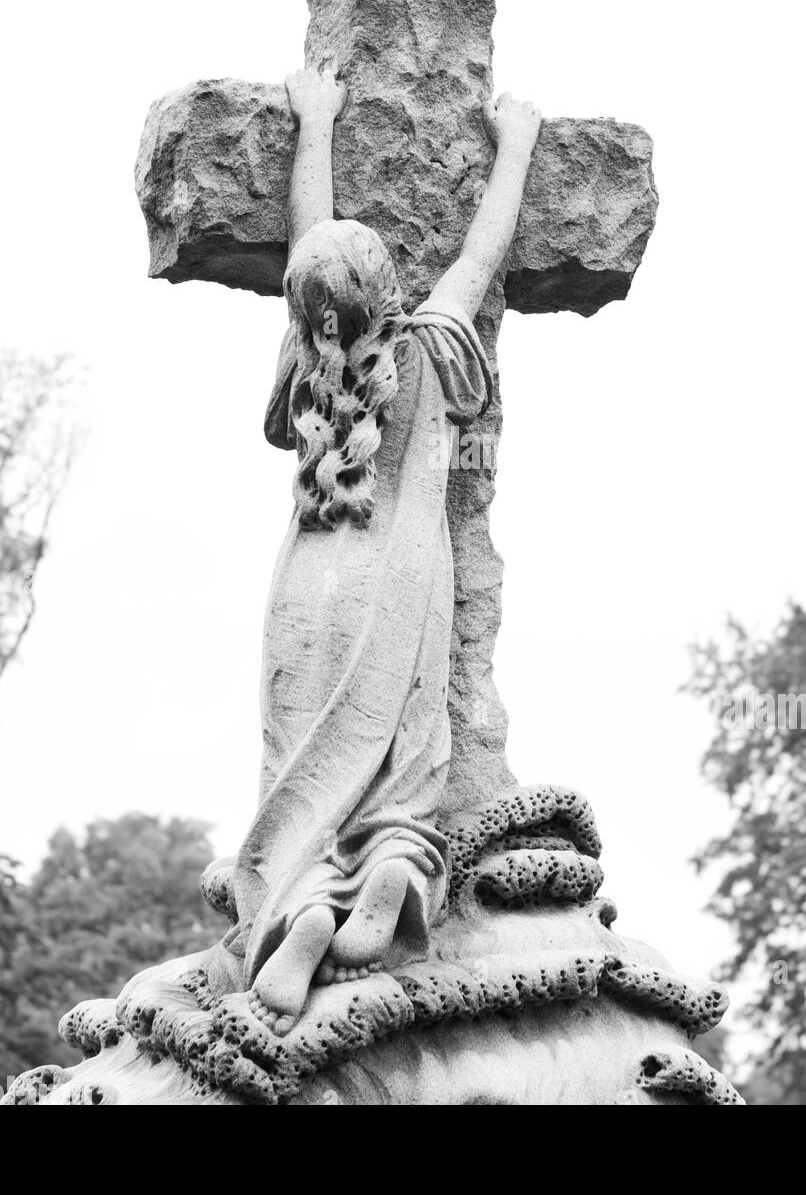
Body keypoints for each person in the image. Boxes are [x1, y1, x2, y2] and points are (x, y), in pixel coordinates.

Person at [226, 66, 541, 1035]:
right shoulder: (432, 348)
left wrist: (313, 123)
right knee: (401, 758)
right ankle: (394, 872)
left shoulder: (308, 372)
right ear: (390, 293)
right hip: (399, 587)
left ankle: (305, 905)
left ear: (308, 316)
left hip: (308, 584)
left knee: (305, 770)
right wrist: (517, 143)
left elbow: (306, 244)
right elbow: (480, 258)